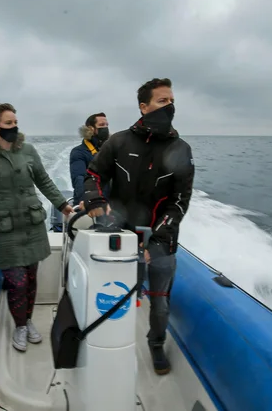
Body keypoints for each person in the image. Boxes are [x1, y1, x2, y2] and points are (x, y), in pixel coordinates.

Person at [80, 78, 194, 375]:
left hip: (160, 243)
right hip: (118, 239)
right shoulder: (118, 141)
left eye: (171, 101)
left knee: (160, 307)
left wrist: (155, 242)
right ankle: (108, 343)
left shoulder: (181, 149)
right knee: (112, 299)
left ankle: (156, 343)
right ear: (144, 107)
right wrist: (94, 201)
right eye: (162, 101)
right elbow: (92, 176)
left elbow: (180, 202)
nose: (169, 106)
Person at [0, 103, 74, 353]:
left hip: (32, 224)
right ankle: (19, 326)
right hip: (4, 230)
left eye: (15, 122)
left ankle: (26, 321)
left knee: (32, 279)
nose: (14, 127)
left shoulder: (28, 150)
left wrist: (62, 204)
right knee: (17, 282)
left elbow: (44, 180)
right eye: (8, 123)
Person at [69, 112, 111, 206]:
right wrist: (88, 202)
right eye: (101, 125)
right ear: (91, 129)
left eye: (106, 125)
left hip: (111, 204)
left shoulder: (112, 149)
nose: (105, 128)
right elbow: (79, 179)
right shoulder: (78, 152)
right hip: (90, 203)